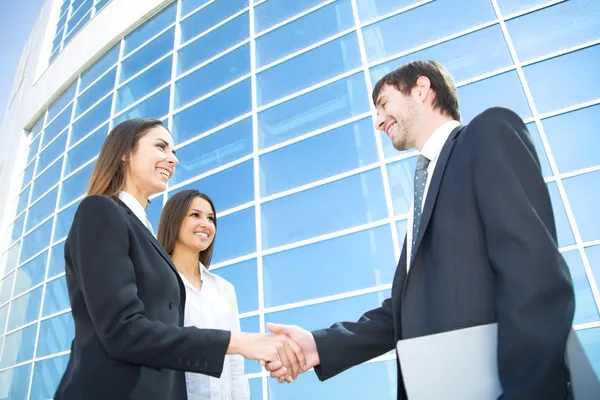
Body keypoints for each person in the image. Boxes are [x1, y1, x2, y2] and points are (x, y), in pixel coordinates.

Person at [265, 60, 575, 399]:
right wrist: (317, 346)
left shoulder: (486, 134)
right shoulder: (421, 197)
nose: (379, 121)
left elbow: (532, 272)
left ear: (422, 89)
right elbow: (400, 314)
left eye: (383, 104)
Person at [55, 118, 303, 400]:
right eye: (161, 147)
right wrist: (239, 342)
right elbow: (122, 331)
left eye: (173, 153)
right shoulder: (100, 210)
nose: (172, 160)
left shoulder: (146, 236)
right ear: (124, 152)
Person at [156, 189, 250, 399]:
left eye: (210, 218)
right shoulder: (156, 283)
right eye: (195, 215)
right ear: (174, 220)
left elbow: (235, 363)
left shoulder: (224, 289)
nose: (206, 224)